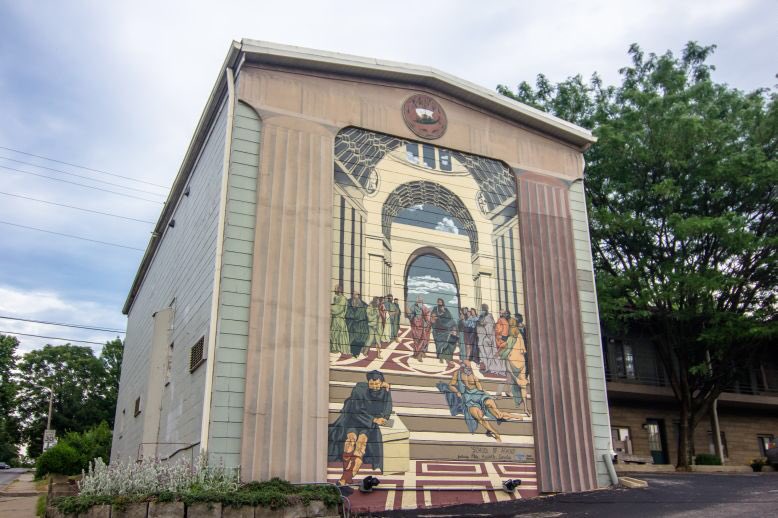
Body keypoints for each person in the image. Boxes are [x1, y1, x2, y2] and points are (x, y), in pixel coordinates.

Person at [328, 370, 393, 486]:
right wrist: (373, 419)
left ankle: (344, 478)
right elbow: (356, 410)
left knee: (360, 445)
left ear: (382, 383)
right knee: (349, 443)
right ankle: (346, 477)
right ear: (367, 382)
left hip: (367, 427)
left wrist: (384, 418)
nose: (374, 387)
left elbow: (388, 408)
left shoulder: (385, 392)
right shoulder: (359, 390)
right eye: (371, 384)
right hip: (354, 421)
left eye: (377, 384)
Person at [436, 361, 524, 442]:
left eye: (469, 368)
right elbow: (451, 385)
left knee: (497, 414)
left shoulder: (473, 375)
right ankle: (496, 433)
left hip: (479, 395)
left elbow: (479, 387)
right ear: (462, 367)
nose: (469, 369)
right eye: (467, 367)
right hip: (469, 399)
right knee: (479, 417)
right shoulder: (457, 374)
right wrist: (457, 392)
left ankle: (515, 416)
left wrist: (485, 394)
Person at [500, 312, 529, 412]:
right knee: (523, 384)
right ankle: (525, 408)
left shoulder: (509, 338)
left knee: (510, 378)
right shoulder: (519, 335)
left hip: (512, 361)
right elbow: (523, 350)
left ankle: (505, 392)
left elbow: (504, 351)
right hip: (521, 362)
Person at [477, 304, 505, 375]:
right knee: (484, 354)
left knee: (489, 354)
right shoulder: (482, 316)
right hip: (483, 339)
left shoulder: (489, 316)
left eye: (483, 308)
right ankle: (487, 367)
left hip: (488, 339)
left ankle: (489, 368)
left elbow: (490, 328)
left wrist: (489, 337)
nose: (482, 310)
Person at [431, 298, 457, 364]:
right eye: (438, 302)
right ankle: (440, 357)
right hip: (438, 330)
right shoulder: (435, 309)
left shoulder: (446, 310)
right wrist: (436, 318)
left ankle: (447, 358)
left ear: (443, 303)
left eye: (441, 302)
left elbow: (450, 318)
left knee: (447, 344)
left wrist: (444, 312)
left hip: (446, 330)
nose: (440, 303)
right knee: (439, 344)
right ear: (437, 302)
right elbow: (433, 317)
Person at [406, 296, 431, 361]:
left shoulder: (424, 307)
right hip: (415, 327)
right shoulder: (413, 307)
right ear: (416, 301)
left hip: (422, 327)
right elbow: (410, 315)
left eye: (421, 301)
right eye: (419, 301)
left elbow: (428, 316)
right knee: (416, 341)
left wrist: (427, 321)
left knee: (423, 340)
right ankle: (417, 354)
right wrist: (412, 317)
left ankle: (420, 353)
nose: (420, 302)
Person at [346, 291, 369, 357]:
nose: (357, 296)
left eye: (358, 295)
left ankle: (356, 353)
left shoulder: (363, 304)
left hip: (360, 325)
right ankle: (352, 352)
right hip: (351, 324)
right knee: (351, 339)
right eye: (356, 294)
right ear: (353, 295)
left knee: (358, 340)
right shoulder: (348, 302)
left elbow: (367, 314)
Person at [330, 285, 350, 355]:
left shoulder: (343, 298)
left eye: (335, 289)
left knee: (341, 334)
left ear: (339, 290)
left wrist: (330, 307)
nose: (334, 290)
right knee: (333, 334)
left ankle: (341, 349)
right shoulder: (335, 297)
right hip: (334, 319)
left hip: (340, 319)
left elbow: (339, 309)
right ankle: (335, 348)